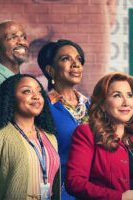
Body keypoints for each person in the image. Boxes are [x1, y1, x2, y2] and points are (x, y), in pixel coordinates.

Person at [0, 74, 60, 199]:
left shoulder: (51, 138)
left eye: (39, 92)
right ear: (11, 98)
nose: (36, 96)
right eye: (27, 91)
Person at [66, 72, 133, 200]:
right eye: (117, 95)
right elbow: (74, 182)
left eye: (129, 95)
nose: (126, 102)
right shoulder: (87, 133)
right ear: (102, 105)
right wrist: (119, 197)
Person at [37, 39, 90, 199]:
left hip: (94, 189)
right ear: (50, 70)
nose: (75, 64)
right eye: (66, 59)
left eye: (78, 59)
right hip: (62, 190)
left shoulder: (93, 106)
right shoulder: (42, 107)